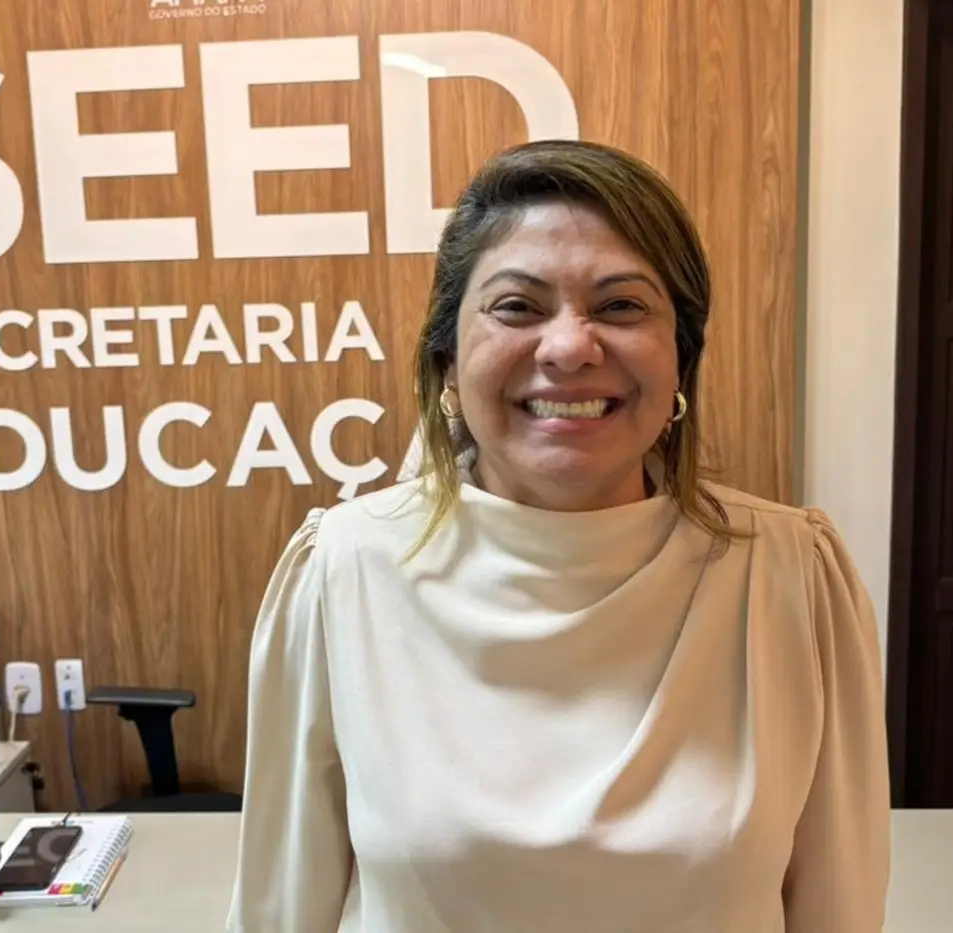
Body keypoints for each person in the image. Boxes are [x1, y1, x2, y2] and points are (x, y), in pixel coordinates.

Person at [226, 139, 891, 933]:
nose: (571, 347)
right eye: (517, 306)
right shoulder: (342, 571)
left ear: (681, 359)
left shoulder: (792, 579)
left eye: (621, 306)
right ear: (447, 358)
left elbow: (840, 911)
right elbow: (279, 911)